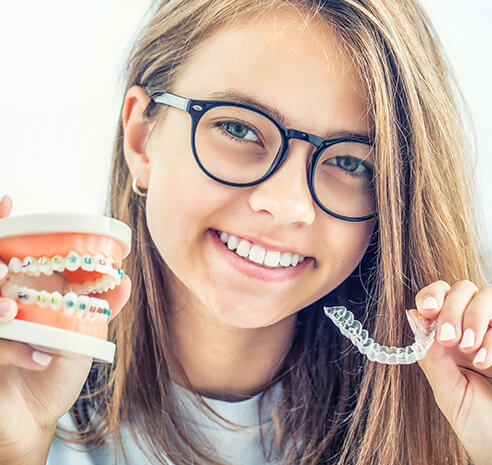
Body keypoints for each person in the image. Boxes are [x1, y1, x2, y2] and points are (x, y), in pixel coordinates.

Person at [0, 0, 491, 464]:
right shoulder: (23, 384)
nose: (286, 205)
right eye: (239, 129)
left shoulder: (453, 412)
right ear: (141, 139)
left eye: (347, 161)